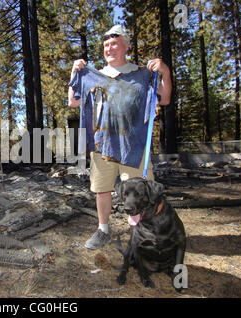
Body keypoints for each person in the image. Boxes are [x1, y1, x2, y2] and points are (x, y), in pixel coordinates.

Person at [68, 25, 172, 250]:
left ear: (126, 45)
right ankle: (103, 230)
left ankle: (144, 234)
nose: (109, 48)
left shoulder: (142, 74)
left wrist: (164, 70)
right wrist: (74, 72)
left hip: (133, 146)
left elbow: (163, 99)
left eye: (114, 44)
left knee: (142, 190)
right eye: (106, 45)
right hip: (102, 144)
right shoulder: (93, 75)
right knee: (101, 189)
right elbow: (73, 102)